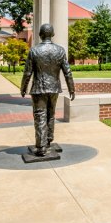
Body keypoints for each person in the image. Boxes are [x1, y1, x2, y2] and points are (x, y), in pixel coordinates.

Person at [21, 23, 75, 156]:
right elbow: (67, 72)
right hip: (54, 88)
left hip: (39, 88)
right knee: (51, 114)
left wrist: (23, 87)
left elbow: (28, 73)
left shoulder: (34, 51)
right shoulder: (60, 50)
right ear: (53, 34)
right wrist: (71, 89)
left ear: (40, 34)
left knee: (40, 116)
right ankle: (48, 140)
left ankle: (41, 146)